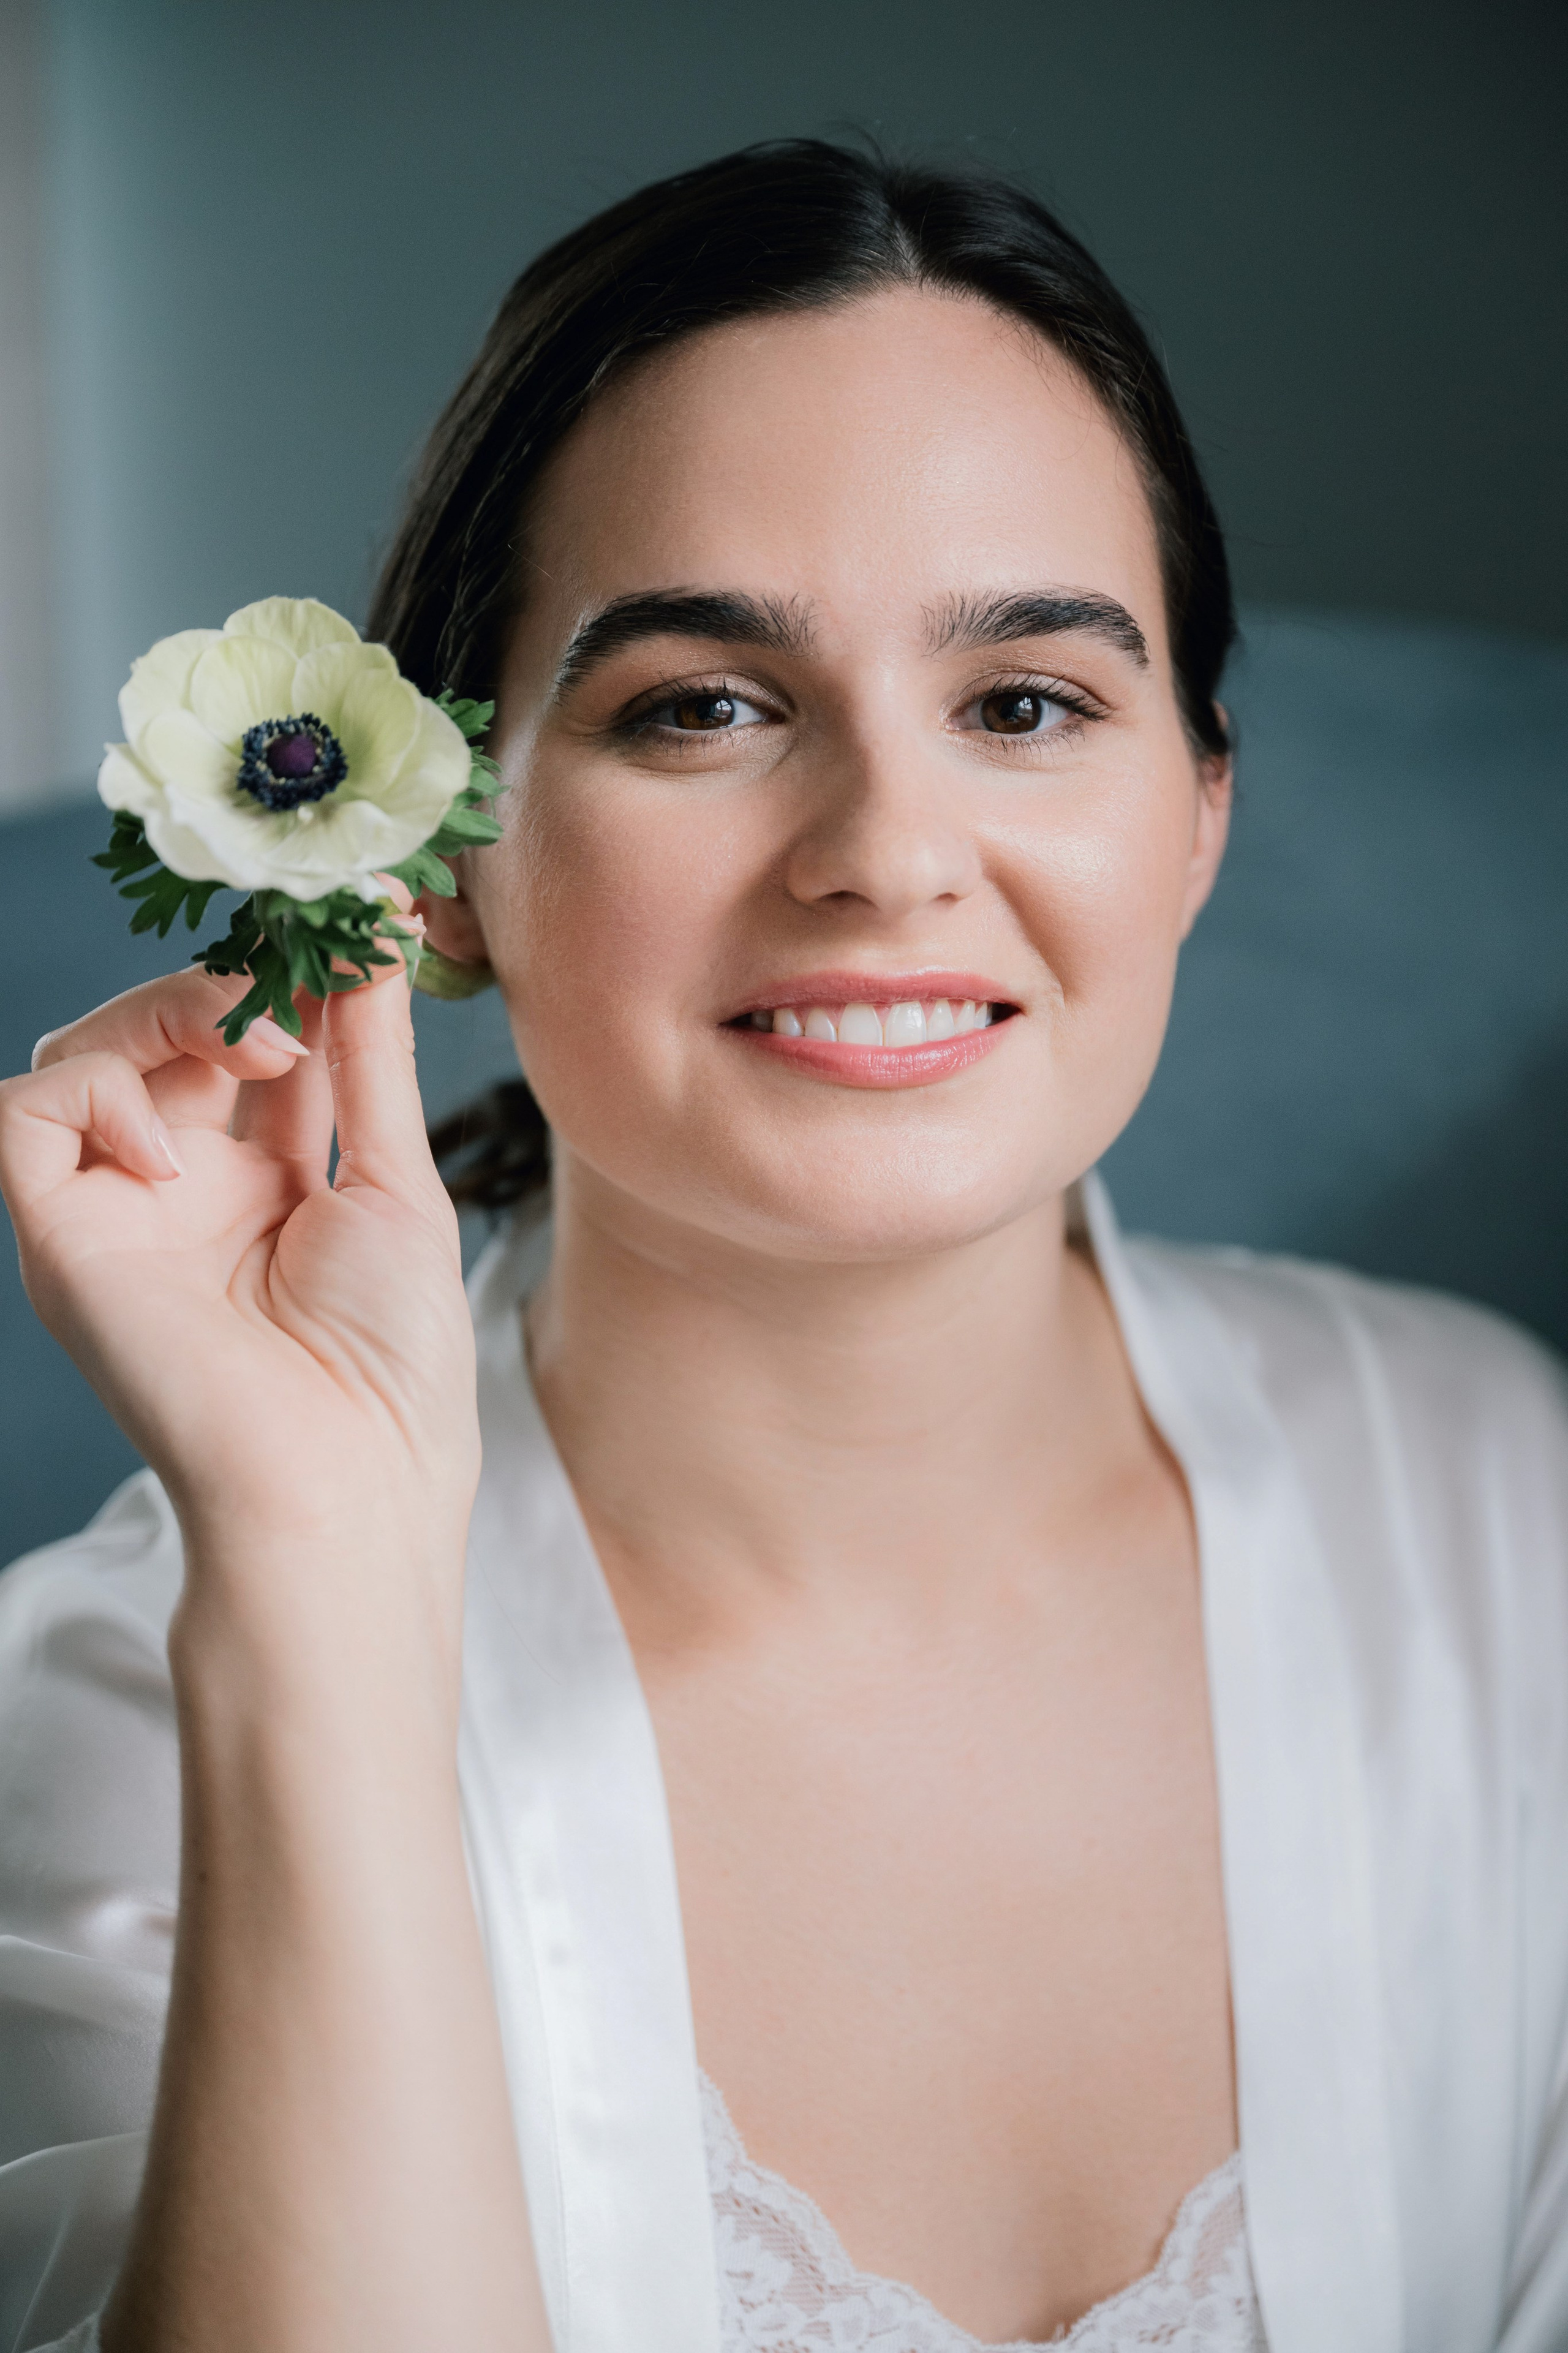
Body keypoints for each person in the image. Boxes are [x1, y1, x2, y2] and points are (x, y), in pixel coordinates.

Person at [0, 139, 1565, 2353]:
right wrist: (322, 1597)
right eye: (702, 707)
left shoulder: (1502, 1502)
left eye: (1026, 701)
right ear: (436, 866)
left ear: (1202, 810)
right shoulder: (105, 1711)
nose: (890, 853)